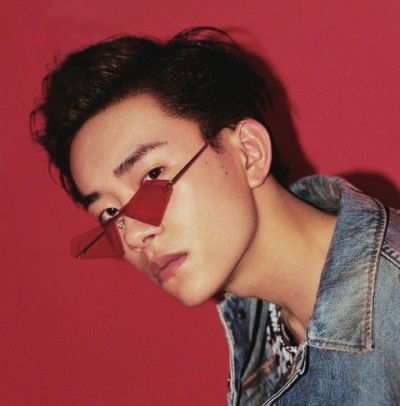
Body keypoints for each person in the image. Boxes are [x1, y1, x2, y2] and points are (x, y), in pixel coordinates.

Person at [31, 27, 400, 405]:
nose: (134, 235)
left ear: (249, 153)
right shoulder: (264, 320)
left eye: (152, 176)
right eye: (109, 213)